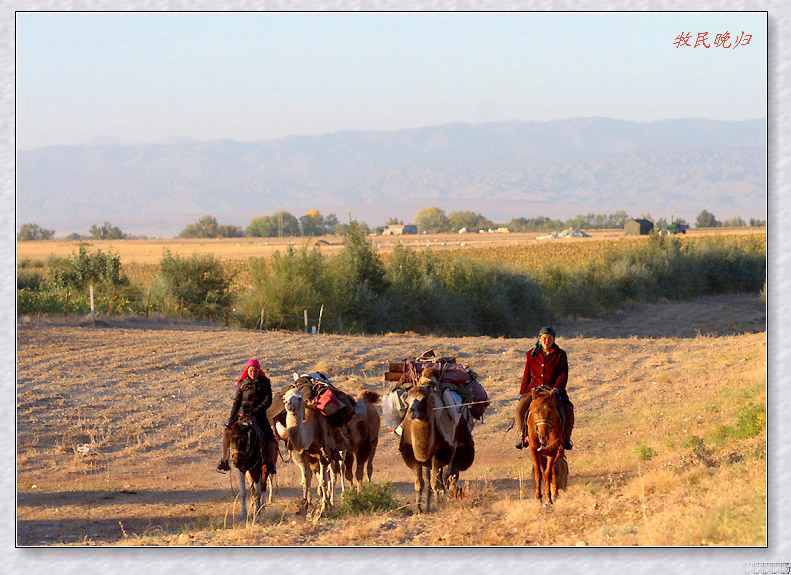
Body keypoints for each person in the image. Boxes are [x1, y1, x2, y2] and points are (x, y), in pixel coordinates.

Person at [514, 327, 575, 451]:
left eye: (549, 338)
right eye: (544, 338)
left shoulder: (560, 354)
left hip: (553, 391)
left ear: (553, 340)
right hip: (534, 391)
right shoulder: (532, 354)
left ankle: (566, 439)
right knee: (519, 408)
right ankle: (522, 437)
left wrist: (557, 389)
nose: (547, 341)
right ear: (539, 339)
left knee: (568, 410)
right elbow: (527, 375)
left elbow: (563, 374)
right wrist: (522, 392)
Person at [217, 359, 278, 474]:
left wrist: (255, 411)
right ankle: (225, 459)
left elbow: (268, 400)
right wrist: (232, 418)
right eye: (250, 370)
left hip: (259, 415)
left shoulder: (265, 382)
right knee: (227, 432)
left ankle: (270, 463)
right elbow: (237, 402)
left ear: (258, 370)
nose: (253, 373)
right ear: (247, 371)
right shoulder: (242, 383)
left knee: (270, 437)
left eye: (255, 370)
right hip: (242, 413)